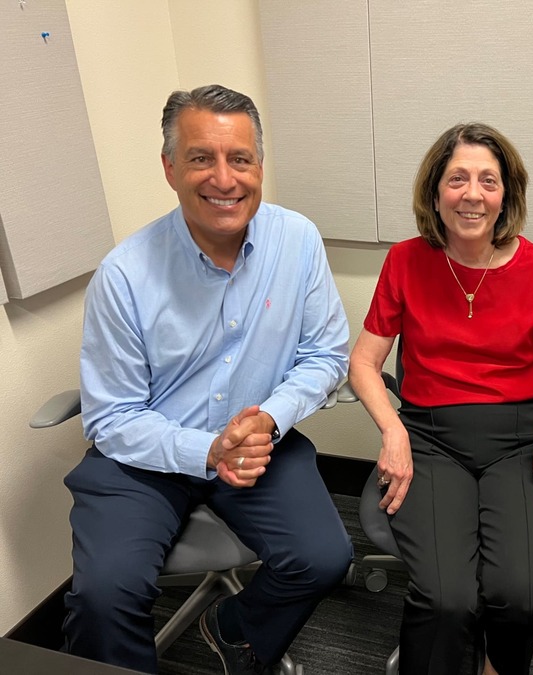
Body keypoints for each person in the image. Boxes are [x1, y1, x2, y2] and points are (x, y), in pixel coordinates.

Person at [64, 84, 353, 675]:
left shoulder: (296, 240)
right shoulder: (124, 274)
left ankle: (236, 630)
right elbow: (113, 416)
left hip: (255, 442)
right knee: (104, 595)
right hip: (143, 457)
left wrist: (268, 418)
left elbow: (325, 354)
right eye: (202, 158)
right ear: (170, 168)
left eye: (239, 158)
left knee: (325, 556)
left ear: (259, 166)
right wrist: (208, 448)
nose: (224, 178)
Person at [349, 123, 533, 675]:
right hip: (431, 439)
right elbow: (363, 362)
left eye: (488, 180)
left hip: (524, 440)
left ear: (506, 194)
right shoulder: (406, 261)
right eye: (457, 178)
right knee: (444, 598)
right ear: (435, 193)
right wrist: (393, 430)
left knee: (525, 593)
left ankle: (496, 665)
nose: (472, 193)